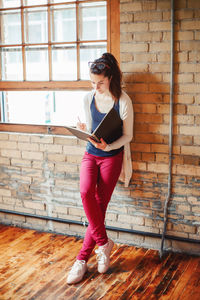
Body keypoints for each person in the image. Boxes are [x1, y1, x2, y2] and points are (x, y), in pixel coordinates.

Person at [67, 52, 134, 284]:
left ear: (111, 78)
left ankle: (82, 260)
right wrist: (83, 128)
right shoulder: (88, 98)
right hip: (90, 154)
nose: (96, 87)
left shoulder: (123, 101)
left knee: (99, 205)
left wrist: (109, 148)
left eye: (101, 83)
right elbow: (92, 131)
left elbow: (129, 136)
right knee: (86, 194)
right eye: (92, 83)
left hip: (111, 158)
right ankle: (104, 244)